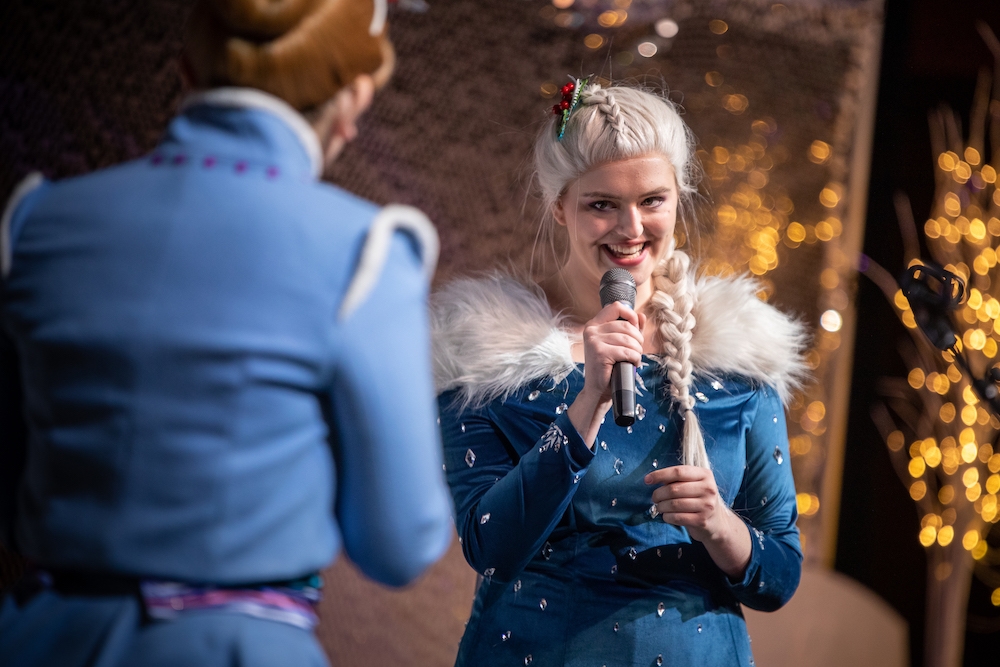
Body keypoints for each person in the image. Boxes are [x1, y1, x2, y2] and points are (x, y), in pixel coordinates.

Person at [0, 1, 453, 665]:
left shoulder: (35, 222)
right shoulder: (366, 252)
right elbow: (398, 543)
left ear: (188, 70)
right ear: (353, 99)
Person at [432, 80, 809, 666]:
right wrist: (588, 403)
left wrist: (718, 524)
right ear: (560, 207)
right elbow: (489, 545)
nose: (631, 228)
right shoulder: (486, 351)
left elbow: (779, 576)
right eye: (602, 205)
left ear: (678, 198)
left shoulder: (740, 353)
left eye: (652, 201)